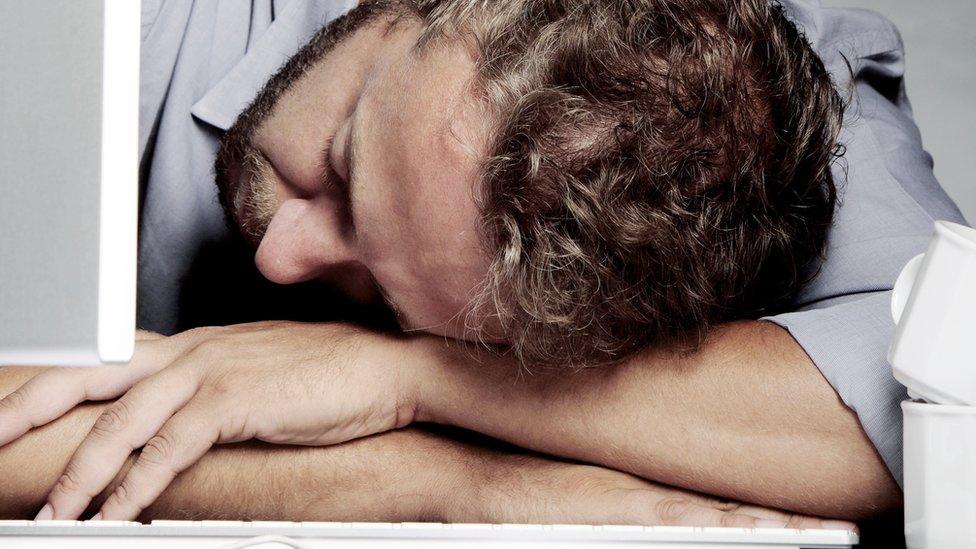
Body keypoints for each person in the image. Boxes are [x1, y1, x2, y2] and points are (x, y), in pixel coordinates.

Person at [0, 0, 965, 527]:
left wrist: (414, 376)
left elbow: (939, 410)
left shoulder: (771, 121)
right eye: (341, 161)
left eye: (386, 296)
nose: (282, 256)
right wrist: (438, 483)